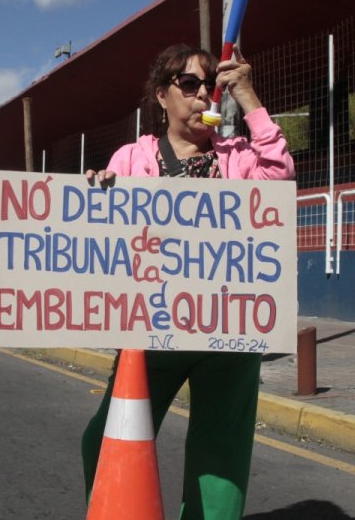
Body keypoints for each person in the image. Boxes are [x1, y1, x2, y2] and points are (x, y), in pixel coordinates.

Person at [81, 44, 294, 519]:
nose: (204, 96)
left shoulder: (238, 156)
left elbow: (280, 179)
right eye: (191, 85)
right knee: (106, 438)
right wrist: (97, 191)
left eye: (213, 87)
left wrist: (249, 96)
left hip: (229, 333)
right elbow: (103, 233)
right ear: (162, 96)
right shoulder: (133, 157)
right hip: (150, 335)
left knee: (220, 458)